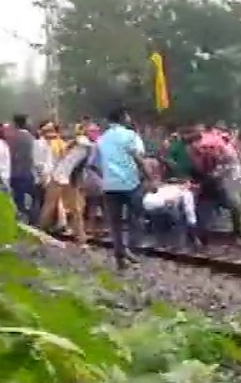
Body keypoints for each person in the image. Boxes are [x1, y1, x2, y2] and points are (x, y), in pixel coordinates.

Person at [93, 107, 153, 269]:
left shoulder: (101, 139)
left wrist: (106, 176)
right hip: (130, 183)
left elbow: (93, 165)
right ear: (122, 118)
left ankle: (120, 257)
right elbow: (139, 158)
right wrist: (151, 179)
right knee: (137, 217)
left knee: (115, 223)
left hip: (110, 186)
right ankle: (132, 249)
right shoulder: (130, 135)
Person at [187, 124, 241, 246]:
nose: (205, 149)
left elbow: (222, 171)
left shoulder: (221, 154)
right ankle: (200, 239)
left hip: (218, 187)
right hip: (206, 190)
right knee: (203, 216)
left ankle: (237, 236)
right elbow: (196, 172)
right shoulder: (194, 156)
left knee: (234, 206)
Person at [39, 125, 96, 244]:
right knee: (75, 209)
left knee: (50, 206)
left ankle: (40, 233)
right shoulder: (87, 146)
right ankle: (81, 237)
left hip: (61, 176)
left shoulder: (83, 145)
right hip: (66, 177)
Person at [142, 180, 199, 249]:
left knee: (160, 226)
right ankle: (178, 246)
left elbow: (149, 200)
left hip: (151, 207)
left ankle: (162, 244)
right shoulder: (186, 193)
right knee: (180, 223)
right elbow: (189, 210)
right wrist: (192, 222)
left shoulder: (164, 187)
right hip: (165, 208)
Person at [8, 114, 37, 223]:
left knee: (18, 200)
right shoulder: (30, 137)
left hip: (14, 172)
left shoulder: (13, 137)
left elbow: (11, 155)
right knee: (28, 199)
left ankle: (20, 220)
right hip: (26, 172)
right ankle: (29, 220)